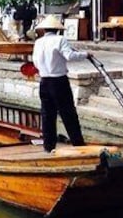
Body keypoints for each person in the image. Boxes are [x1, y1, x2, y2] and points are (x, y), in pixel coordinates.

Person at [32, 14, 91, 153]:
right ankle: (78, 143)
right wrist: (85, 54)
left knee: (47, 115)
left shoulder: (38, 42)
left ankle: (49, 146)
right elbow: (69, 56)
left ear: (44, 30)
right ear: (57, 29)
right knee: (68, 113)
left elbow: (35, 62)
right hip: (59, 80)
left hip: (44, 81)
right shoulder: (60, 39)